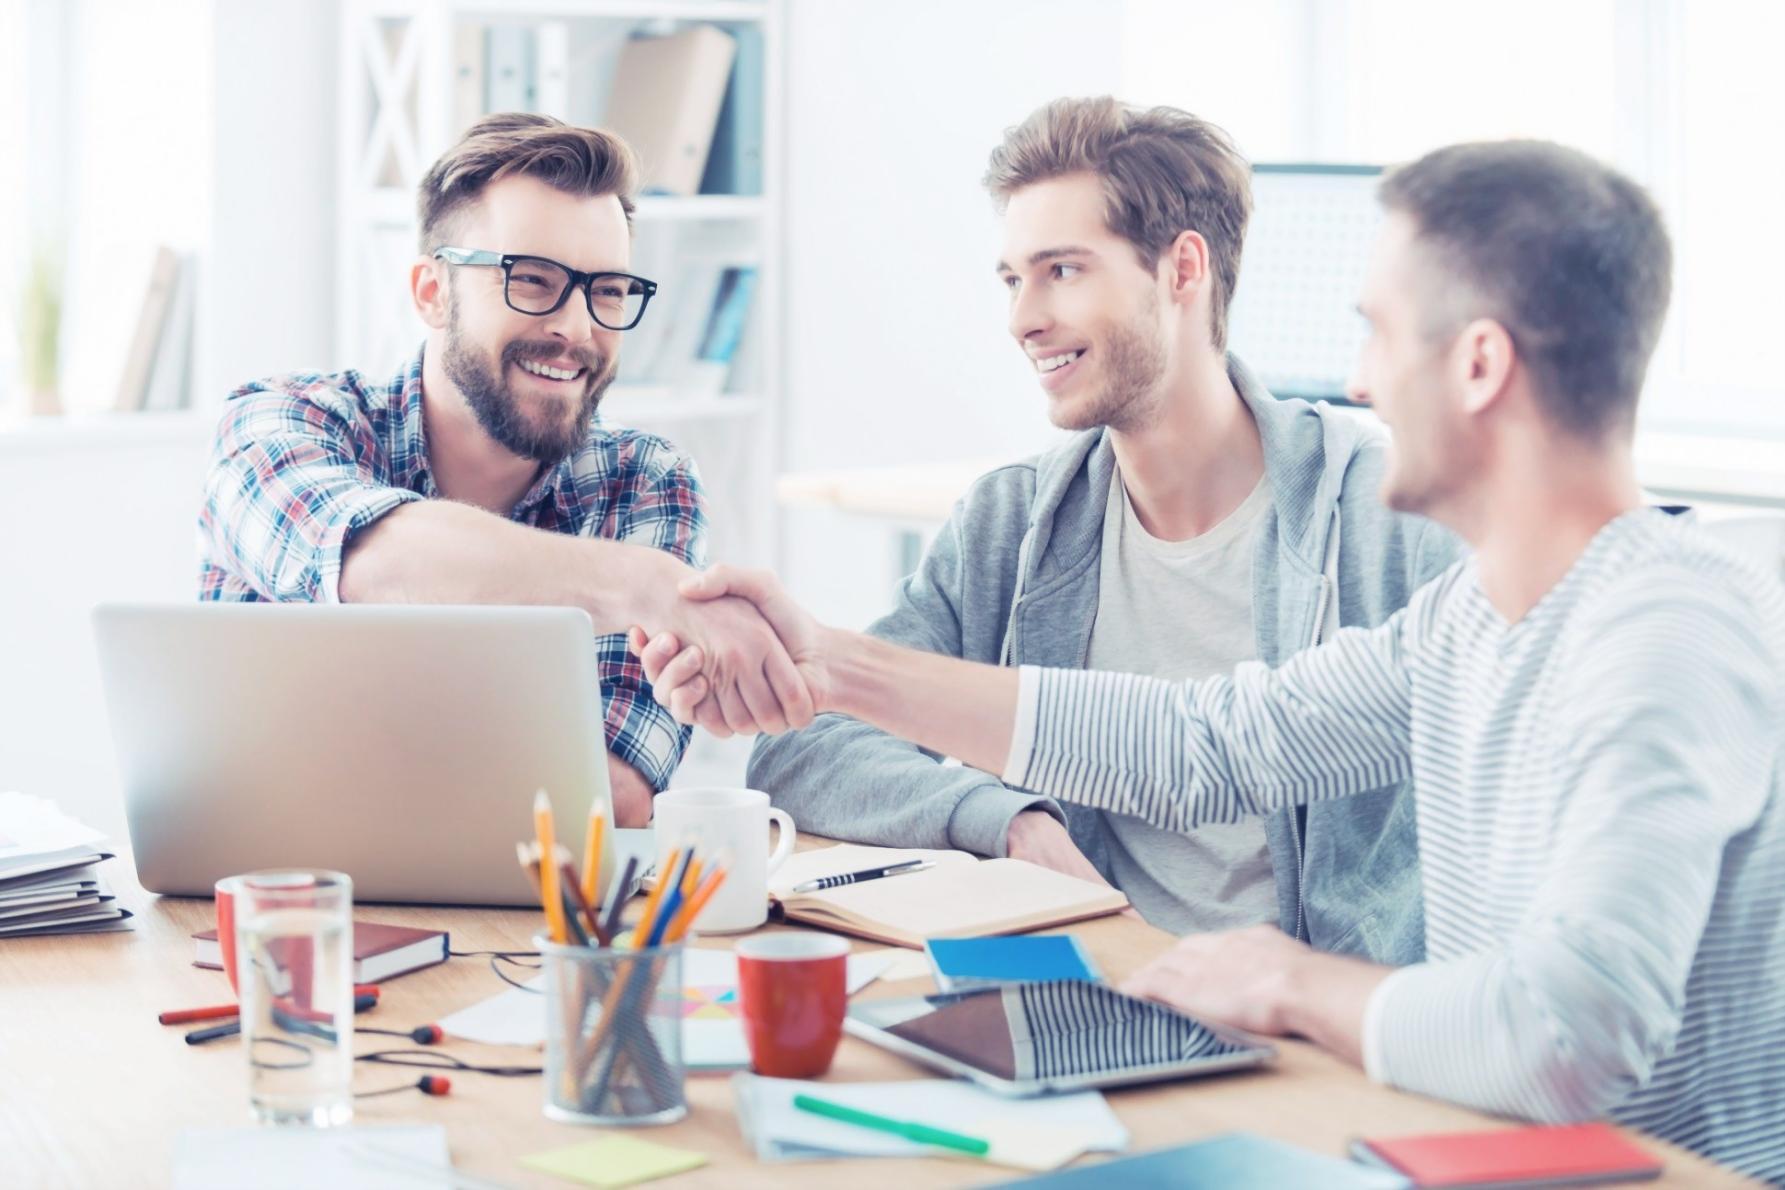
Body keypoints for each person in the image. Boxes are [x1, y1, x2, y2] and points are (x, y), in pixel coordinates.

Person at [635, 139, 1785, 1182]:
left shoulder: (1663, 630)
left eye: (1379, 332)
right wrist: (828, 662)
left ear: (1479, 364)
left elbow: (1569, 1031)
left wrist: (1282, 977)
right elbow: (1210, 743)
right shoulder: (1471, 618)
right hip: (1464, 1149)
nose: (1359, 379)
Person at [750, 97, 1460, 956]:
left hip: (1314, 1027)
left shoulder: (1389, 525)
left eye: (1063, 271)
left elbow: (1209, 751)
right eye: (1013, 279)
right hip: (1093, 985)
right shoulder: (1011, 521)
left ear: (1182, 270)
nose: (1022, 319)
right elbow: (801, 749)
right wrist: (1003, 820)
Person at [198, 113, 810, 825]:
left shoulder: (645, 481)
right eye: (533, 280)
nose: (577, 330)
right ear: (432, 292)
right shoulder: (279, 422)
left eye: (607, 291)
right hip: (274, 896)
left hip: (523, 922)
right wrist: (643, 586)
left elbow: (613, 793)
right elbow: (365, 559)